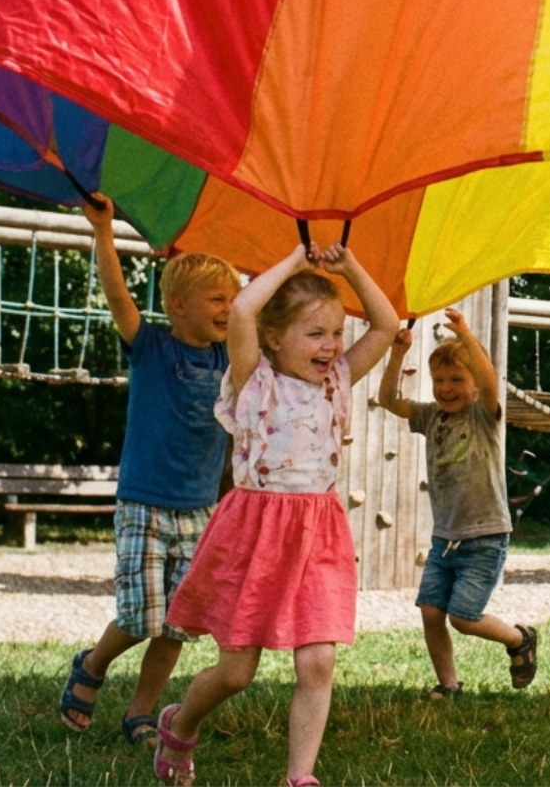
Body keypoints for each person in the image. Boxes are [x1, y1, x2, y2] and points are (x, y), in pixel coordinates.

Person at [150, 242, 399, 787]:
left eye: (336, 333)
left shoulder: (337, 380)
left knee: (318, 663)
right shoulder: (253, 379)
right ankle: (180, 723)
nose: (332, 346)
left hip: (319, 533)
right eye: (316, 334)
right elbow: (241, 310)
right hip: (255, 533)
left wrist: (349, 266)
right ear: (273, 337)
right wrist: (294, 259)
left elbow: (385, 325)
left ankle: (298, 778)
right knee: (237, 672)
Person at [59, 195, 239, 747]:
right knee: (140, 616)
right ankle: (92, 664)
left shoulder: (230, 359)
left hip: (199, 508)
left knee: (179, 624)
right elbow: (116, 294)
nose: (228, 308)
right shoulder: (150, 346)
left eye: (232, 299)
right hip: (144, 502)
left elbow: (263, 318)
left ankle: (141, 713)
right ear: (179, 304)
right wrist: (104, 231)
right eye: (216, 298)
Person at [378, 309, 539, 698]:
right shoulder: (430, 415)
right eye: (439, 380)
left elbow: (487, 381)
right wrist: (397, 353)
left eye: (456, 380)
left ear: (474, 385)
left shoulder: (485, 416)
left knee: (464, 617)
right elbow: (387, 400)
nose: (446, 388)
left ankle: (520, 639)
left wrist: (465, 335)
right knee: (431, 612)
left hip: (485, 536)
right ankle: (448, 685)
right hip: (445, 538)